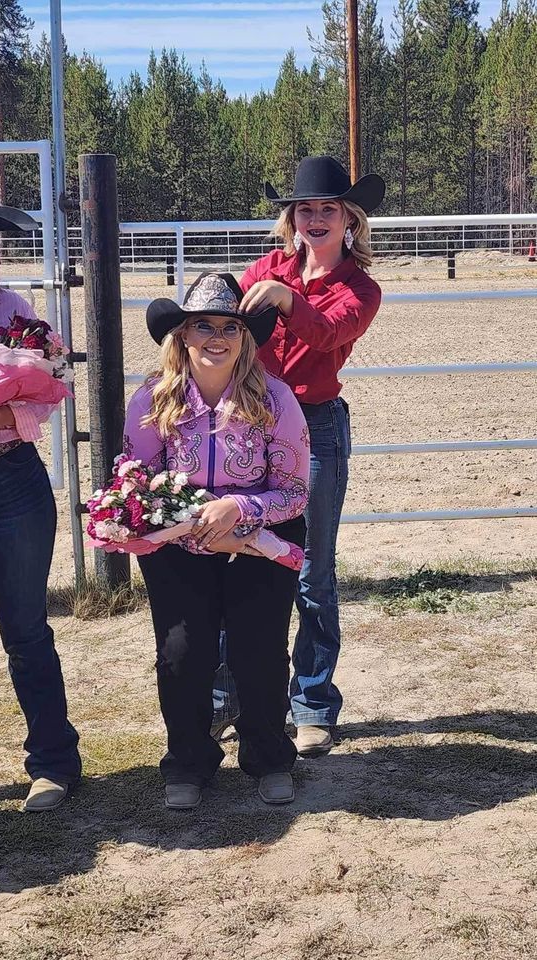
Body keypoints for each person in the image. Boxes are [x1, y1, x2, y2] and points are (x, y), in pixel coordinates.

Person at [213, 155, 386, 757]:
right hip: (254, 425)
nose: (314, 218)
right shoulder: (267, 268)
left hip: (315, 426)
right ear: (291, 217)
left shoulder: (360, 287)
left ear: (348, 220)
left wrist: (285, 299)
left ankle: (312, 701)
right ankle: (230, 698)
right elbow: (225, 326)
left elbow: (327, 335)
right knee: (242, 560)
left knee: (312, 571)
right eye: (305, 209)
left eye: (327, 210)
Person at [123, 272, 310, 809]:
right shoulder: (152, 402)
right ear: (180, 334)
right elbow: (137, 483)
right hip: (181, 542)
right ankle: (187, 759)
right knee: (182, 650)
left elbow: (295, 492)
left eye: (229, 326)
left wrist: (239, 509)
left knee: (259, 648)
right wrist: (191, 519)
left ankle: (269, 756)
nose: (216, 336)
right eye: (201, 324)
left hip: (263, 538)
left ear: (245, 336)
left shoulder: (276, 400)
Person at [0, 183, 81, 816]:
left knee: (26, 631)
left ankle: (53, 764)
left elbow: (55, 382)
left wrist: (7, 411)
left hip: (11, 482)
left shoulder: (13, 310)